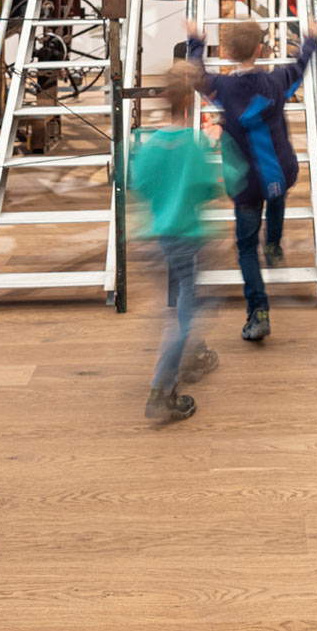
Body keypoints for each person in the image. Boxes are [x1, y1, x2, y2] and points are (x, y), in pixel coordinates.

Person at [183, 19, 317, 344]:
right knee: (277, 196)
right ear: (261, 50)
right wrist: (311, 40)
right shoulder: (276, 81)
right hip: (278, 172)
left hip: (245, 183)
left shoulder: (223, 89)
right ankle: (274, 244)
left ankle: (258, 311)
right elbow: (301, 66)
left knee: (246, 247)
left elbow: (196, 75)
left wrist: (195, 42)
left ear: (228, 53)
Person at [129, 61, 222, 424]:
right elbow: (209, 188)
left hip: (155, 237)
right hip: (187, 236)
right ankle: (161, 389)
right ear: (191, 102)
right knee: (189, 311)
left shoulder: (150, 146)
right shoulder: (192, 146)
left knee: (178, 302)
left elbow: (141, 184)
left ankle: (193, 355)